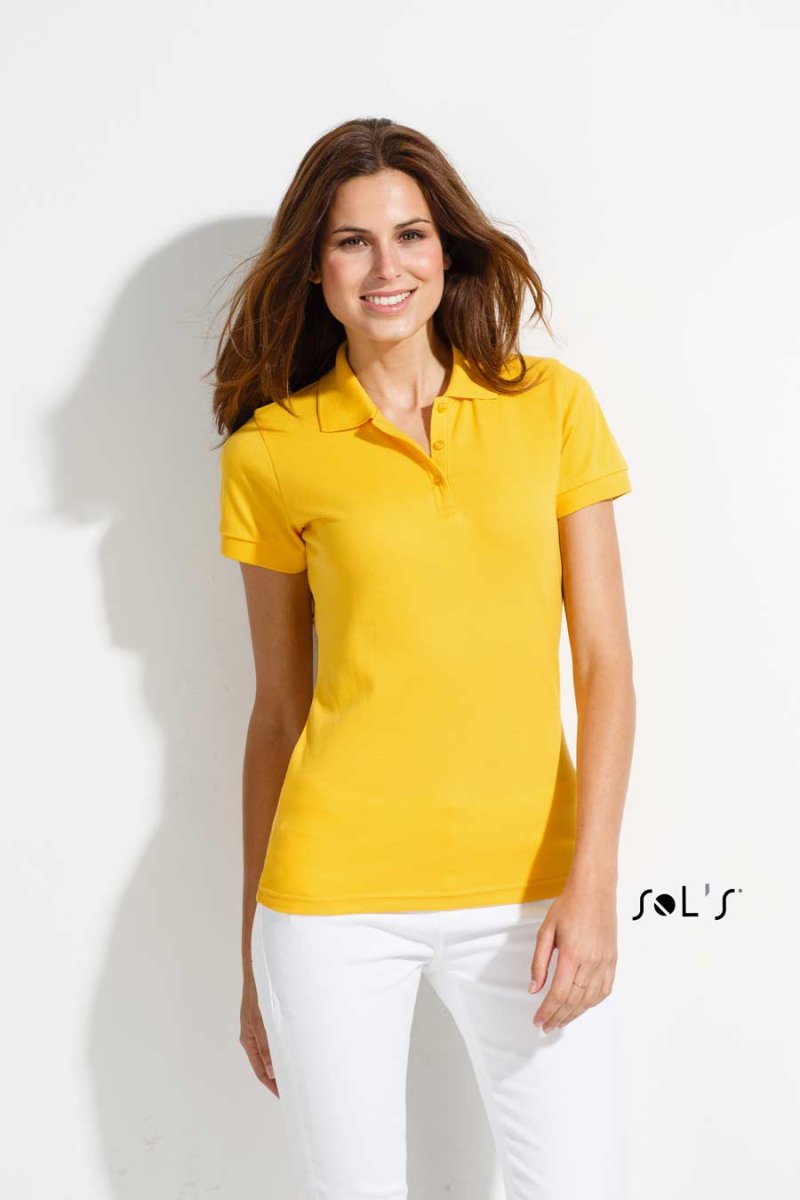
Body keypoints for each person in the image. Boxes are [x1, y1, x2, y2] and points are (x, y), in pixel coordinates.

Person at [211, 117, 635, 1200]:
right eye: (351, 242)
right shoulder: (272, 452)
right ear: (315, 268)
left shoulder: (550, 408)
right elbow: (276, 713)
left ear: (447, 250)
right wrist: (253, 955)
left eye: (409, 235)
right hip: (329, 902)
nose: (385, 267)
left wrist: (593, 886)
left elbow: (604, 666)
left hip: (531, 892)